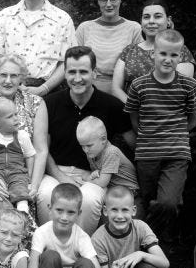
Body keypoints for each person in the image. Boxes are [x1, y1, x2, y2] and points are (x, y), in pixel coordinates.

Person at [38, 46, 134, 234]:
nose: (77, 78)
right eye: (72, 72)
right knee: (45, 194)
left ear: (94, 73)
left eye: (83, 71)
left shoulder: (111, 105)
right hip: (55, 172)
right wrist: (61, 176)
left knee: (89, 199)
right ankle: (47, 248)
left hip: (93, 176)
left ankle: (83, 253)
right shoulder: (50, 103)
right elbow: (43, 149)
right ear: (64, 74)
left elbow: (133, 143)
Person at [124, 29, 196, 239]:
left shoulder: (189, 86)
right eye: (163, 54)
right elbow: (134, 118)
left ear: (180, 56)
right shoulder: (139, 86)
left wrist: (176, 133)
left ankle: (158, 247)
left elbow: (192, 118)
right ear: (153, 54)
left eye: (174, 55)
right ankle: (147, 246)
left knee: (168, 202)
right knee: (148, 200)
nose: (168, 59)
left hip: (177, 153)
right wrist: (150, 134)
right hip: (147, 153)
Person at [0, 54, 48, 244]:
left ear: (22, 78)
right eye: (3, 74)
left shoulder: (36, 104)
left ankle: (25, 260)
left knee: (27, 200)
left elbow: (41, 150)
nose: (8, 80)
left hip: (23, 174)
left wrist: (33, 184)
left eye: (14, 75)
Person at [112, 0, 196, 103]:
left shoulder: (180, 51)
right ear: (141, 22)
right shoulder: (129, 50)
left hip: (166, 114)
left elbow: (181, 90)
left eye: (158, 16)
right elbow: (116, 89)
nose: (151, 21)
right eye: (146, 17)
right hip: (130, 114)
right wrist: (135, 109)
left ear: (168, 20)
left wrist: (150, 111)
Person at [75, 0, 142, 94]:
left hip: (122, 92)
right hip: (88, 92)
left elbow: (141, 66)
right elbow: (74, 63)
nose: (109, 4)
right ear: (98, 1)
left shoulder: (133, 29)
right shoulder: (84, 28)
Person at [0, 98, 36, 217]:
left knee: (20, 188)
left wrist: (29, 177)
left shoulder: (22, 136)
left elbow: (30, 156)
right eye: (10, 117)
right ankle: (5, 216)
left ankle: (22, 212)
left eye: (16, 114)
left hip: (17, 172)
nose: (16, 118)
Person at [75, 116, 139, 200]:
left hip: (129, 192)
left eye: (89, 145)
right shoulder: (92, 153)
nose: (85, 150)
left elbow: (102, 182)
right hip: (113, 189)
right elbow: (98, 175)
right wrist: (94, 175)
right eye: (82, 146)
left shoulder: (111, 152)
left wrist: (87, 180)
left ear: (103, 139)